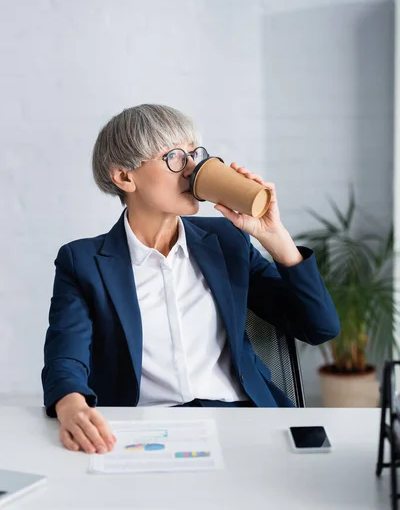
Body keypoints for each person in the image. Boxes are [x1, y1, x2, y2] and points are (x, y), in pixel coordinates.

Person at [42, 104, 340, 455]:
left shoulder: (227, 242)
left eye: (194, 154)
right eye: (174, 157)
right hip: (144, 431)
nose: (192, 170)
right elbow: (66, 358)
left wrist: (275, 237)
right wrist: (71, 404)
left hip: (242, 422)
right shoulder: (84, 263)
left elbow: (319, 328)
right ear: (124, 177)